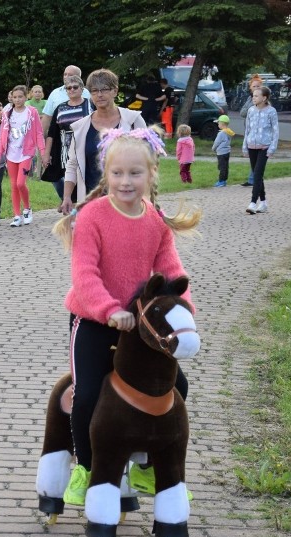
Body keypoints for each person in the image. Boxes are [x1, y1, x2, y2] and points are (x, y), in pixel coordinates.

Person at [52, 126, 200, 506]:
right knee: (86, 394)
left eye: (135, 173)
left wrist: (185, 315)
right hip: (95, 321)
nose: (125, 181)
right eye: (117, 173)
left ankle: (146, 465)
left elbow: (171, 272)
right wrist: (110, 310)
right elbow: (85, 274)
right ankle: (85, 467)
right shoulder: (93, 216)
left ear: (151, 174)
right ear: (106, 175)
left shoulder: (155, 221)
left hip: (140, 331)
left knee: (176, 388)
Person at [60, 68, 146, 215]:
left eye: (104, 89)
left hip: (127, 200)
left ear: (115, 91)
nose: (99, 95)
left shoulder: (132, 120)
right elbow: (72, 164)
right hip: (92, 202)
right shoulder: (80, 127)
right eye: (94, 91)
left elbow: (148, 159)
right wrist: (67, 196)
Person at [0, 85, 45, 227]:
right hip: (11, 154)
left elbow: (38, 133)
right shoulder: (7, 113)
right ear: (11, 97)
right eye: (15, 97)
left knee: (20, 183)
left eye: (20, 97)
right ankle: (16, 215)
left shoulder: (32, 112)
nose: (17, 100)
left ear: (26, 97)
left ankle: (27, 209)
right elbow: (2, 136)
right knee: (13, 185)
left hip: (26, 153)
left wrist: (42, 151)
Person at [42, 74, 92, 201]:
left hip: (86, 148)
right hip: (65, 152)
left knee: (85, 183)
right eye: (68, 88)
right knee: (66, 181)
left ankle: (83, 211)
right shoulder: (60, 108)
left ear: (82, 89)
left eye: (75, 87)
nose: (72, 90)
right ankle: (70, 206)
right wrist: (46, 154)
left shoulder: (91, 105)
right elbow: (52, 133)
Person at [242, 85, 279, 214]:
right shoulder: (251, 111)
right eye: (253, 95)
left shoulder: (271, 111)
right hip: (252, 146)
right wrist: (245, 146)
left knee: (257, 174)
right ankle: (263, 202)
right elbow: (247, 130)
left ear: (264, 98)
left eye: (257, 95)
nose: (254, 98)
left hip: (265, 147)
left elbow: (275, 131)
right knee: (258, 175)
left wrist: (272, 148)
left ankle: (253, 202)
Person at [41, 65, 92, 138]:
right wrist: (41, 138)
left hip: (84, 136)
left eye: (70, 75)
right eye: (65, 74)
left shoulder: (87, 93)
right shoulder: (55, 93)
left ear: (78, 77)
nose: (66, 77)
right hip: (60, 137)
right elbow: (47, 117)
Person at [239, 74, 264, 186]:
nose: (256, 88)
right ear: (250, 88)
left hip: (260, 134)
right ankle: (252, 179)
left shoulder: (264, 101)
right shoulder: (250, 99)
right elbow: (242, 113)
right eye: (254, 86)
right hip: (249, 133)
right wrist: (250, 108)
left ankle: (254, 179)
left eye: (258, 86)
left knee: (258, 157)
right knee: (253, 157)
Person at [211, 115, 234, 187]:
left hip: (221, 152)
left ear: (222, 124)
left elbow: (217, 142)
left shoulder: (221, 133)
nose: (218, 125)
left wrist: (213, 148)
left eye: (218, 123)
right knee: (226, 166)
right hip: (227, 151)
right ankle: (224, 180)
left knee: (221, 167)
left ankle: (221, 181)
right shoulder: (229, 132)